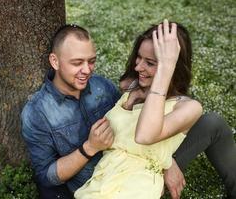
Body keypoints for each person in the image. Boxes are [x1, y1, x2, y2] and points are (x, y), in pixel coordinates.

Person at [21, 23, 236, 199]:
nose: (87, 70)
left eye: (91, 61)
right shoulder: (36, 113)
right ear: (54, 61)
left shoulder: (101, 87)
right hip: (96, 185)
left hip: (139, 181)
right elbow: (46, 177)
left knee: (212, 122)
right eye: (77, 63)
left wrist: (167, 162)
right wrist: (89, 148)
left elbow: (138, 131)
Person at [74, 19, 202, 198]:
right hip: (101, 181)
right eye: (139, 57)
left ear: (173, 66)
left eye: (150, 63)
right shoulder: (131, 86)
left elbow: (144, 136)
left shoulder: (188, 108)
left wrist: (166, 67)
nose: (138, 67)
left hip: (137, 187)